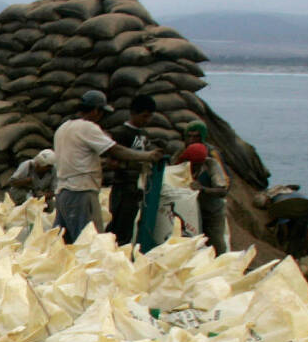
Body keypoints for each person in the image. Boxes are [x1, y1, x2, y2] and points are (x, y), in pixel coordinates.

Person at [52, 90, 161, 243]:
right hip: (81, 191)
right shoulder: (88, 127)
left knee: (63, 242)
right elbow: (115, 150)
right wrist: (147, 156)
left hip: (64, 191)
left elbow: (78, 159)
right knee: (90, 243)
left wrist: (104, 164)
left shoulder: (63, 128)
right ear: (96, 110)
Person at [106, 94, 168, 245]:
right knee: (118, 227)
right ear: (133, 113)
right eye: (144, 116)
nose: (146, 120)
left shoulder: (143, 135)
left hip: (137, 188)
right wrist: (131, 165)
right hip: (123, 187)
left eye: (149, 117)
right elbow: (111, 162)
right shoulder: (122, 133)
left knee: (129, 226)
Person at [173, 122, 229, 255]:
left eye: (196, 137)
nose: (192, 140)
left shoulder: (211, 160)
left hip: (210, 210)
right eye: (189, 136)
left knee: (215, 244)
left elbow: (223, 190)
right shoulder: (181, 155)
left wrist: (203, 189)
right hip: (187, 211)